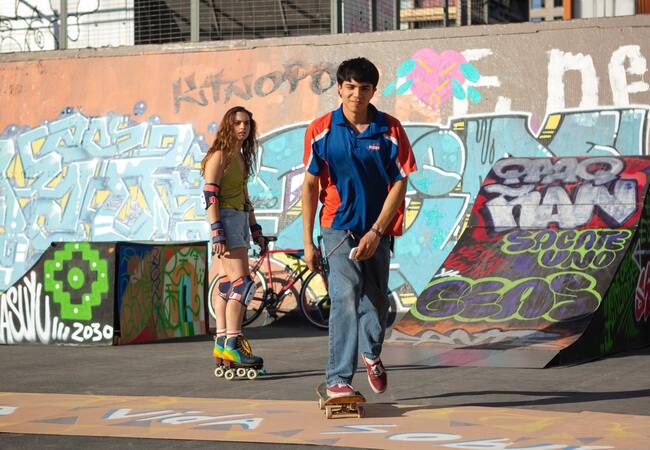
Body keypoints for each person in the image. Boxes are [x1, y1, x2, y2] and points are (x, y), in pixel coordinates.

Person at [301, 57, 417, 397]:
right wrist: (307, 242)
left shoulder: (390, 129)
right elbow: (309, 187)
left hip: (378, 228)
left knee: (376, 301)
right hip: (337, 226)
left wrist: (377, 231)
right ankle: (338, 379)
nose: (356, 94)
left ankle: (371, 353)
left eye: (363, 88)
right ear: (339, 89)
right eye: (350, 87)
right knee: (345, 295)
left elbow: (400, 182)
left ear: (373, 91)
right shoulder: (321, 130)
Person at [201, 106, 268, 376]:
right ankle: (232, 343)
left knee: (227, 284)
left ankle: (221, 342)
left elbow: (244, 196)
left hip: (239, 219)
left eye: (247, 124)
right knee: (243, 284)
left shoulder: (240, 157)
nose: (243, 128)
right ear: (229, 125)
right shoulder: (219, 156)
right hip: (226, 220)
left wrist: (255, 228)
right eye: (238, 123)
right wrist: (216, 229)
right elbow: (210, 195)